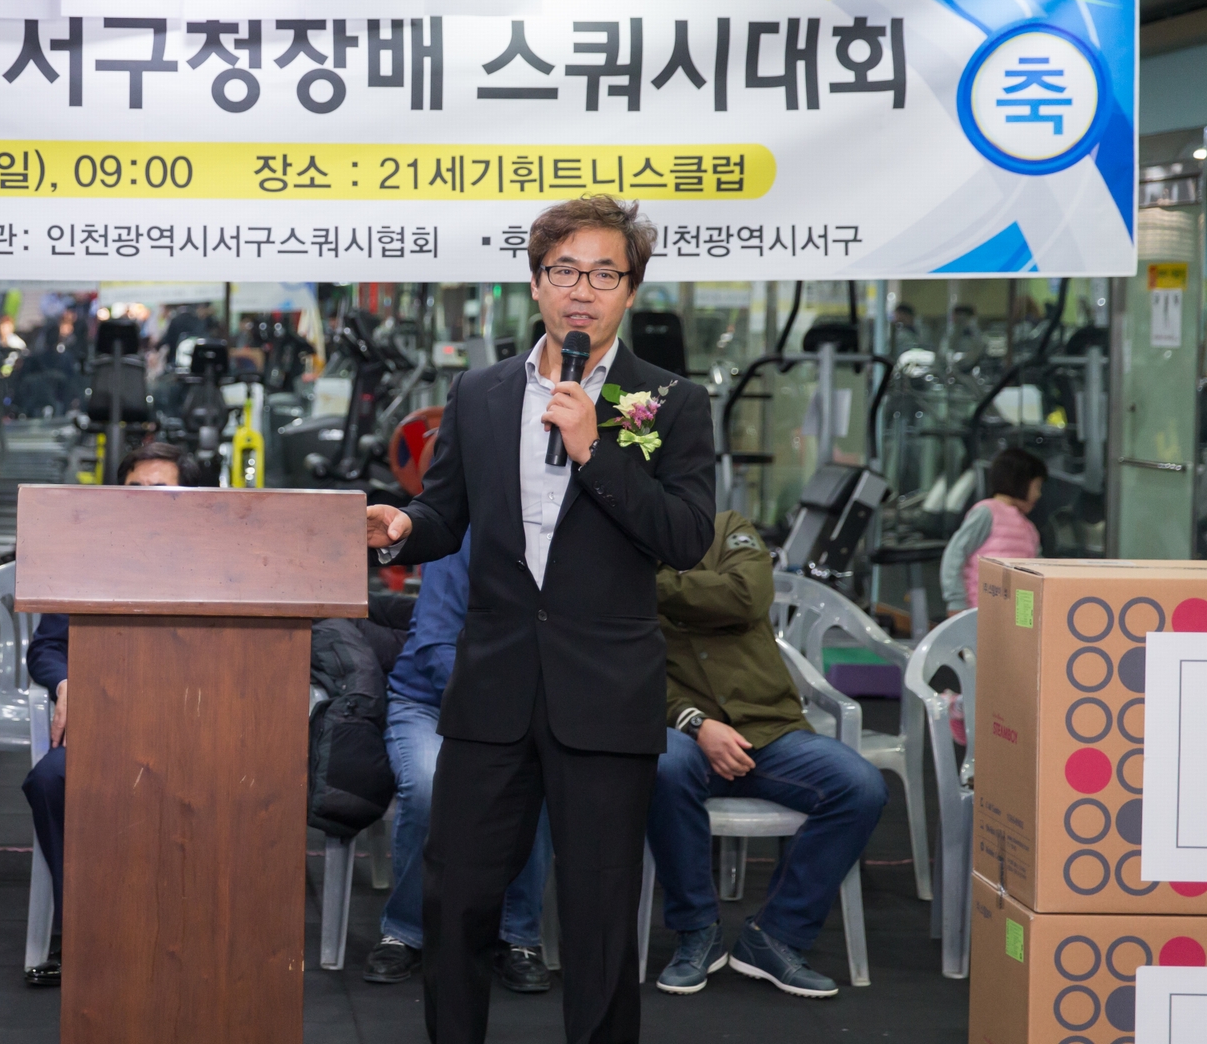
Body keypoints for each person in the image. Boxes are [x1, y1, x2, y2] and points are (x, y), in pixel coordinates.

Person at [364, 194, 714, 1044]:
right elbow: (446, 512)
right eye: (564, 271)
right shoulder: (480, 392)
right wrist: (405, 525)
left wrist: (595, 450)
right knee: (456, 899)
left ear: (631, 290)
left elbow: (686, 538)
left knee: (598, 916)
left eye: (604, 274)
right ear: (534, 282)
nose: (581, 291)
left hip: (605, 691)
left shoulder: (671, 400)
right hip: (493, 684)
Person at [647, 510, 887, 998]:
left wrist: (651, 587)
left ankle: (775, 935)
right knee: (664, 766)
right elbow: (619, 665)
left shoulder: (726, 526)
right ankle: (697, 930)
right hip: (684, 733)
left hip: (769, 729)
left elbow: (746, 595)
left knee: (861, 786)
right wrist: (695, 723)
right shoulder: (617, 545)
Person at [19, 439, 205, 989]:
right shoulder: (87, 557)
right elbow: (46, 647)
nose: (145, 500)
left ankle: (195, 935)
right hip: (108, 722)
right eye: (133, 489)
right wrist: (66, 682)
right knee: (53, 779)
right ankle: (85, 932)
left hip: (196, 725)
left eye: (161, 489)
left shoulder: (217, 564)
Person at [365, 528, 556, 992]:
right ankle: (406, 931)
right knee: (429, 785)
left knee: (537, 775)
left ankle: (518, 936)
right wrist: (499, 711)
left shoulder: (566, 541)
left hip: (521, 705)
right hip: (428, 700)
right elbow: (435, 644)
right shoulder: (464, 536)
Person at [939, 447, 1045, 612]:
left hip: (1014, 615)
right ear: (1020, 482)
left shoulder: (1029, 528)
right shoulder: (986, 513)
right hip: (977, 612)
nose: (1039, 495)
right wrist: (956, 601)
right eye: (1037, 486)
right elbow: (955, 554)